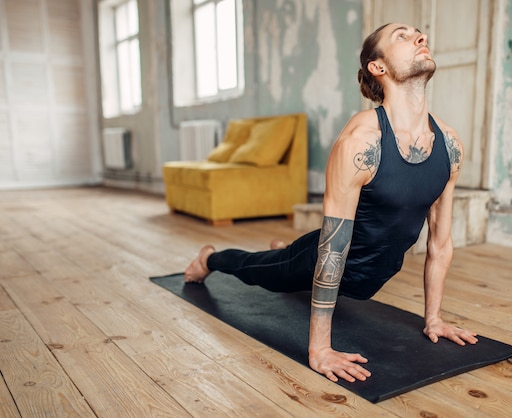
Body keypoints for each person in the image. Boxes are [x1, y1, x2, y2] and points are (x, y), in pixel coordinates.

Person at [184, 22, 478, 384]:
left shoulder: (450, 144)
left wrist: (433, 319)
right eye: (402, 35)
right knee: (260, 270)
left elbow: (440, 243)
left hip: (370, 277)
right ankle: (209, 259)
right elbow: (333, 247)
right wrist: (320, 349)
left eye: (419, 33)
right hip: (328, 259)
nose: (421, 38)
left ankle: (286, 249)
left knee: (293, 256)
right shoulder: (361, 140)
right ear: (378, 66)